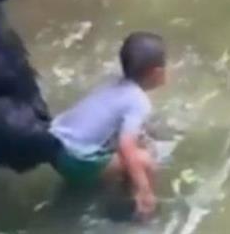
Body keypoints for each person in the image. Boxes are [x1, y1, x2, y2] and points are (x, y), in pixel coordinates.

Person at [49, 31, 166, 220]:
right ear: (157, 73)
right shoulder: (139, 101)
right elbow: (126, 148)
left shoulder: (113, 83)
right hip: (75, 160)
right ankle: (141, 212)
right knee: (145, 161)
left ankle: (81, 184)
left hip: (55, 146)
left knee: (139, 142)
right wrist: (145, 189)